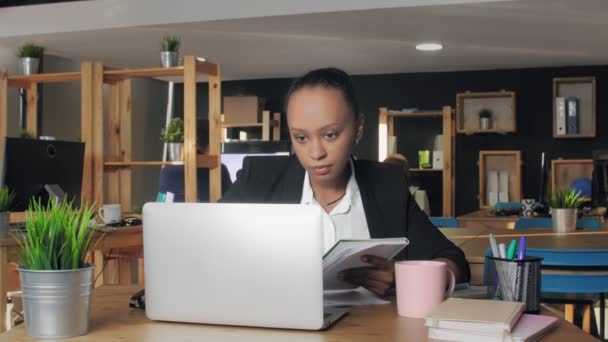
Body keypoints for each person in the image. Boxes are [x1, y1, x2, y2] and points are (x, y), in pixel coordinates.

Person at [221, 68, 469, 295]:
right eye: (301, 138)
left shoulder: (387, 184)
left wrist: (404, 276)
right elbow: (207, 247)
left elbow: (452, 260)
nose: (316, 153)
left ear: (358, 128)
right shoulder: (258, 178)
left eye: (330, 135)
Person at [159, 118, 232, 202]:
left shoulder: (168, 170)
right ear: (211, 143)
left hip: (173, 214)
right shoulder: (218, 169)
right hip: (206, 214)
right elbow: (230, 202)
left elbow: (161, 203)